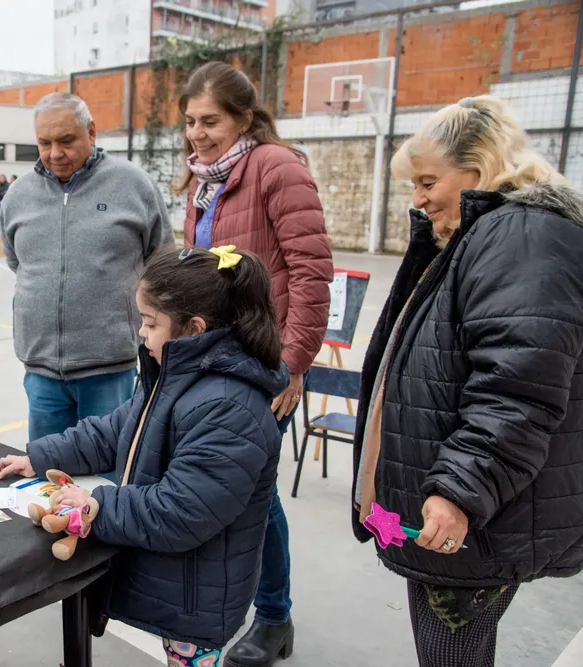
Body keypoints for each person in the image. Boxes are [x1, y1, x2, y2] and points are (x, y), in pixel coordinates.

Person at [353, 96, 583, 666]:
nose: (420, 197)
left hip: (471, 517)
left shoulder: (519, 236)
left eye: (429, 180)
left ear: (479, 168)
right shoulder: (491, 234)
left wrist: (459, 489)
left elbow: (516, 387)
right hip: (465, 510)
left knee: (452, 653)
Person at [0, 245, 288, 666]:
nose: (141, 334)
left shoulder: (229, 407)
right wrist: (40, 457)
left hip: (194, 596)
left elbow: (182, 510)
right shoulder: (176, 374)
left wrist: (98, 504)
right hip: (175, 577)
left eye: (150, 323)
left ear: (193, 329)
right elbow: (116, 431)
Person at [176, 62, 332, 667]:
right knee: (227, 489)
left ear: (245, 117)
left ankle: (273, 617)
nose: (197, 134)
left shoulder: (277, 167)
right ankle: (236, 606)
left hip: (266, 364)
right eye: (190, 121)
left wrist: (292, 364)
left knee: (253, 494)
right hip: (218, 361)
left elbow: (313, 271)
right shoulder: (203, 181)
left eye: (210, 121)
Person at [0, 92, 174, 441]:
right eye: (44, 143)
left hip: (109, 369)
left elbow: (163, 262)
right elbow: (17, 261)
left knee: (106, 480)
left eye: (66, 141)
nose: (54, 154)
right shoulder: (18, 195)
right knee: (46, 477)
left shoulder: (134, 185)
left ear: (91, 133)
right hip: (41, 371)